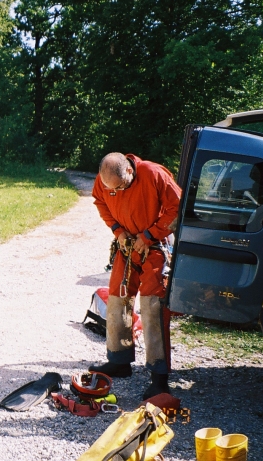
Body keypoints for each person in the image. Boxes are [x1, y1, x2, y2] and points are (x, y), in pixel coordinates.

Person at [90, 152, 181, 399]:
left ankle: (159, 378)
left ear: (129, 171)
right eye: (112, 190)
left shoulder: (154, 174)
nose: (116, 193)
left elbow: (177, 207)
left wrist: (149, 236)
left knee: (153, 306)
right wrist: (118, 231)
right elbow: (99, 200)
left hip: (155, 248)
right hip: (127, 246)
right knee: (117, 299)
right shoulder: (105, 180)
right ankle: (119, 360)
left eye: (120, 188)